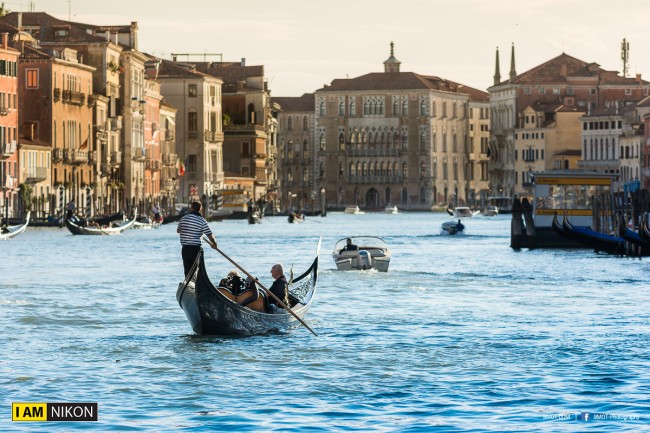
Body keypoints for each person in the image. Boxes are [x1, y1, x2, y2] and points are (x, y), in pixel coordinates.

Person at [177, 201, 217, 277]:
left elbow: (178, 230)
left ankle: (189, 284)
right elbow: (210, 235)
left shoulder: (183, 218)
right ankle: (195, 285)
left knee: (187, 270)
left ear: (191, 208)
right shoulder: (202, 220)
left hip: (185, 249)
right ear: (200, 209)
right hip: (195, 249)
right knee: (196, 271)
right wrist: (214, 244)